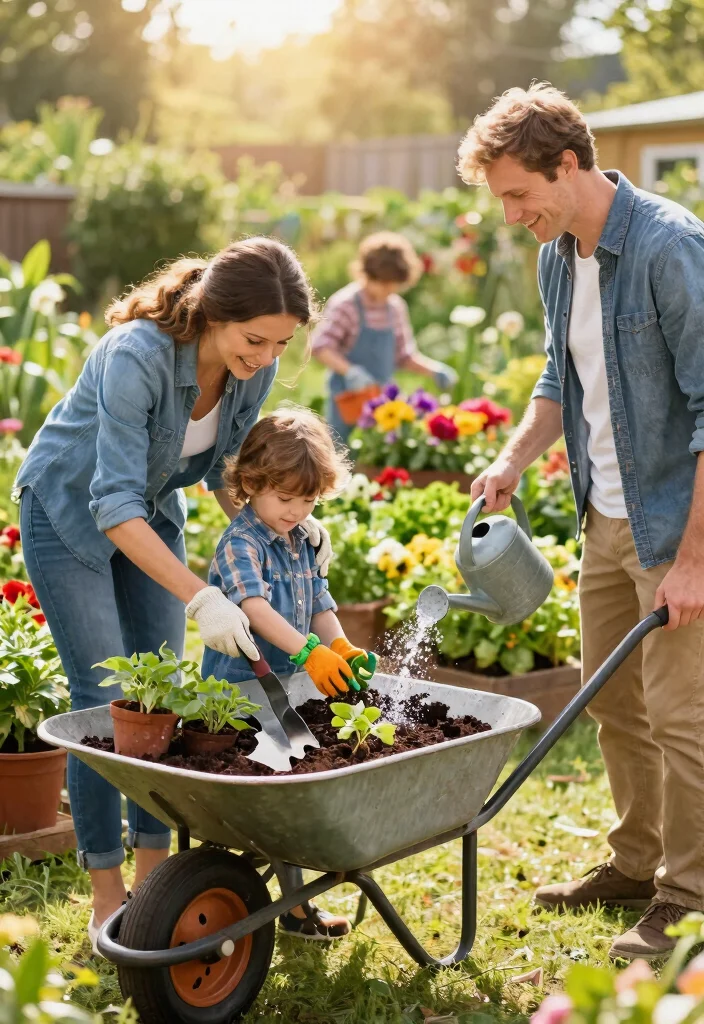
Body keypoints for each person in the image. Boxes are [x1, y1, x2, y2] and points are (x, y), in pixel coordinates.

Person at [14, 237, 333, 952]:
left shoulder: (251, 370)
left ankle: (154, 888)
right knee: (106, 709)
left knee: (161, 704)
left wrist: (287, 529)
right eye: (255, 339)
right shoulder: (138, 355)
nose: (267, 356)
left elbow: (228, 473)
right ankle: (107, 899)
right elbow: (111, 502)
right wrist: (203, 597)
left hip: (150, 513)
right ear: (215, 315)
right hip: (70, 514)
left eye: (282, 342)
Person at [458, 83, 704, 961]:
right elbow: (559, 382)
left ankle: (688, 898)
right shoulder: (560, 255)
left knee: (683, 716)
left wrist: (692, 562)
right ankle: (636, 863)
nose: (512, 214)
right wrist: (512, 460)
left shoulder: (670, 249)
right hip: (605, 515)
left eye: (519, 194)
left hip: (678, 528)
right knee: (616, 708)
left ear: (569, 164)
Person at [203, 406, 378, 939]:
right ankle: (241, 894)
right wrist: (307, 653)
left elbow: (319, 600)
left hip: (288, 691)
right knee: (264, 801)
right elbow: (254, 609)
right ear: (250, 483)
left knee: (290, 791)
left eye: (309, 500)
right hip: (240, 692)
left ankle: (293, 906)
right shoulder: (241, 543)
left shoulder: (303, 537)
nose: (296, 511)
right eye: (285, 498)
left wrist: (339, 644)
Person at [312, 231, 457, 443]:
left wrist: (434, 370)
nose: (390, 289)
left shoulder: (395, 307)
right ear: (368, 274)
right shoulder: (346, 304)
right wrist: (351, 372)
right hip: (347, 398)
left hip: (382, 401)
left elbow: (404, 356)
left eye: (394, 284)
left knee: (376, 455)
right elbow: (320, 347)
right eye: (384, 283)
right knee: (342, 451)